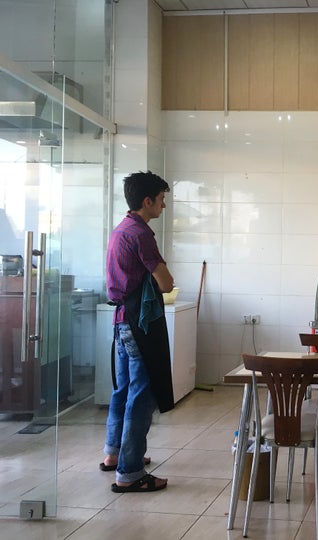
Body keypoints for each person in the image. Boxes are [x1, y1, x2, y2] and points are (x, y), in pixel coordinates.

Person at [101, 171, 175, 493]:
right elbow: (166, 281)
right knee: (141, 396)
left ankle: (114, 454)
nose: (163, 206)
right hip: (138, 323)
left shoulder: (121, 229)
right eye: (161, 200)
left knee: (124, 390)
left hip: (120, 319)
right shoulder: (141, 233)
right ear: (147, 201)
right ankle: (130, 473)